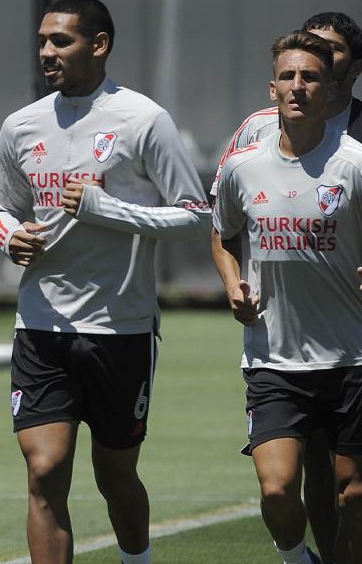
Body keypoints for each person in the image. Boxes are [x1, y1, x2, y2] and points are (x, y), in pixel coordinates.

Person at [0, 1, 211, 562]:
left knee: (116, 476)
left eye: (60, 41)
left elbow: (195, 217)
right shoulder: (21, 124)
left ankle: (137, 557)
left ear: (99, 44)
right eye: (42, 41)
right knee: (45, 471)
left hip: (121, 328)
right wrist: (10, 236)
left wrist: (106, 209)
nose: (46, 53)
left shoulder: (143, 119)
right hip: (40, 325)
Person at [210, 13, 362, 564]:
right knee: (277, 490)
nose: (299, 86)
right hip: (273, 360)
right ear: (272, 88)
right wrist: (232, 283)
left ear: (333, 87)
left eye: (311, 77)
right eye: (288, 76)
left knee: (355, 494)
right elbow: (221, 233)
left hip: (353, 359)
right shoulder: (242, 168)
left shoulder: (355, 164)